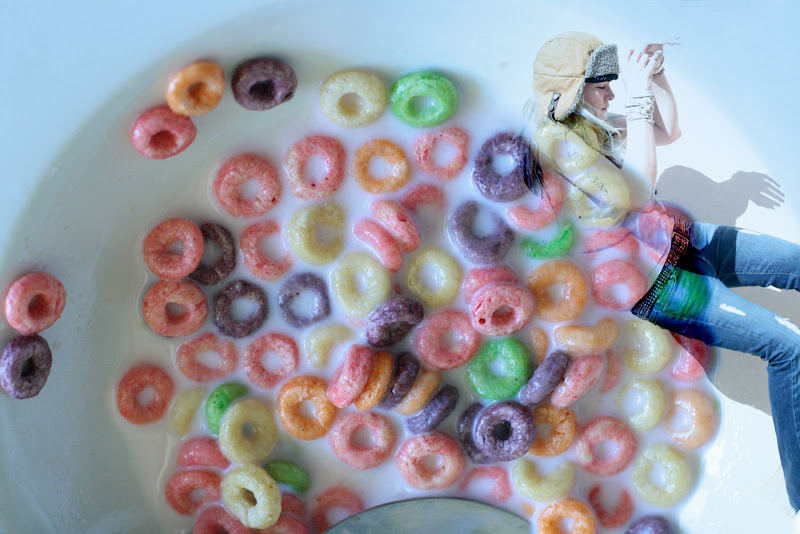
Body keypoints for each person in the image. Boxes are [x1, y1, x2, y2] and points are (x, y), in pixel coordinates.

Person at [526, 31, 800, 512]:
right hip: (660, 286)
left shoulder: (589, 125)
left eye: (611, 85)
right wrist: (636, 96)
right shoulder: (556, 143)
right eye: (600, 87)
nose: (610, 95)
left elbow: (669, 131)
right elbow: (636, 191)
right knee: (787, 348)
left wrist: (656, 79)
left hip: (681, 240)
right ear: (568, 92)